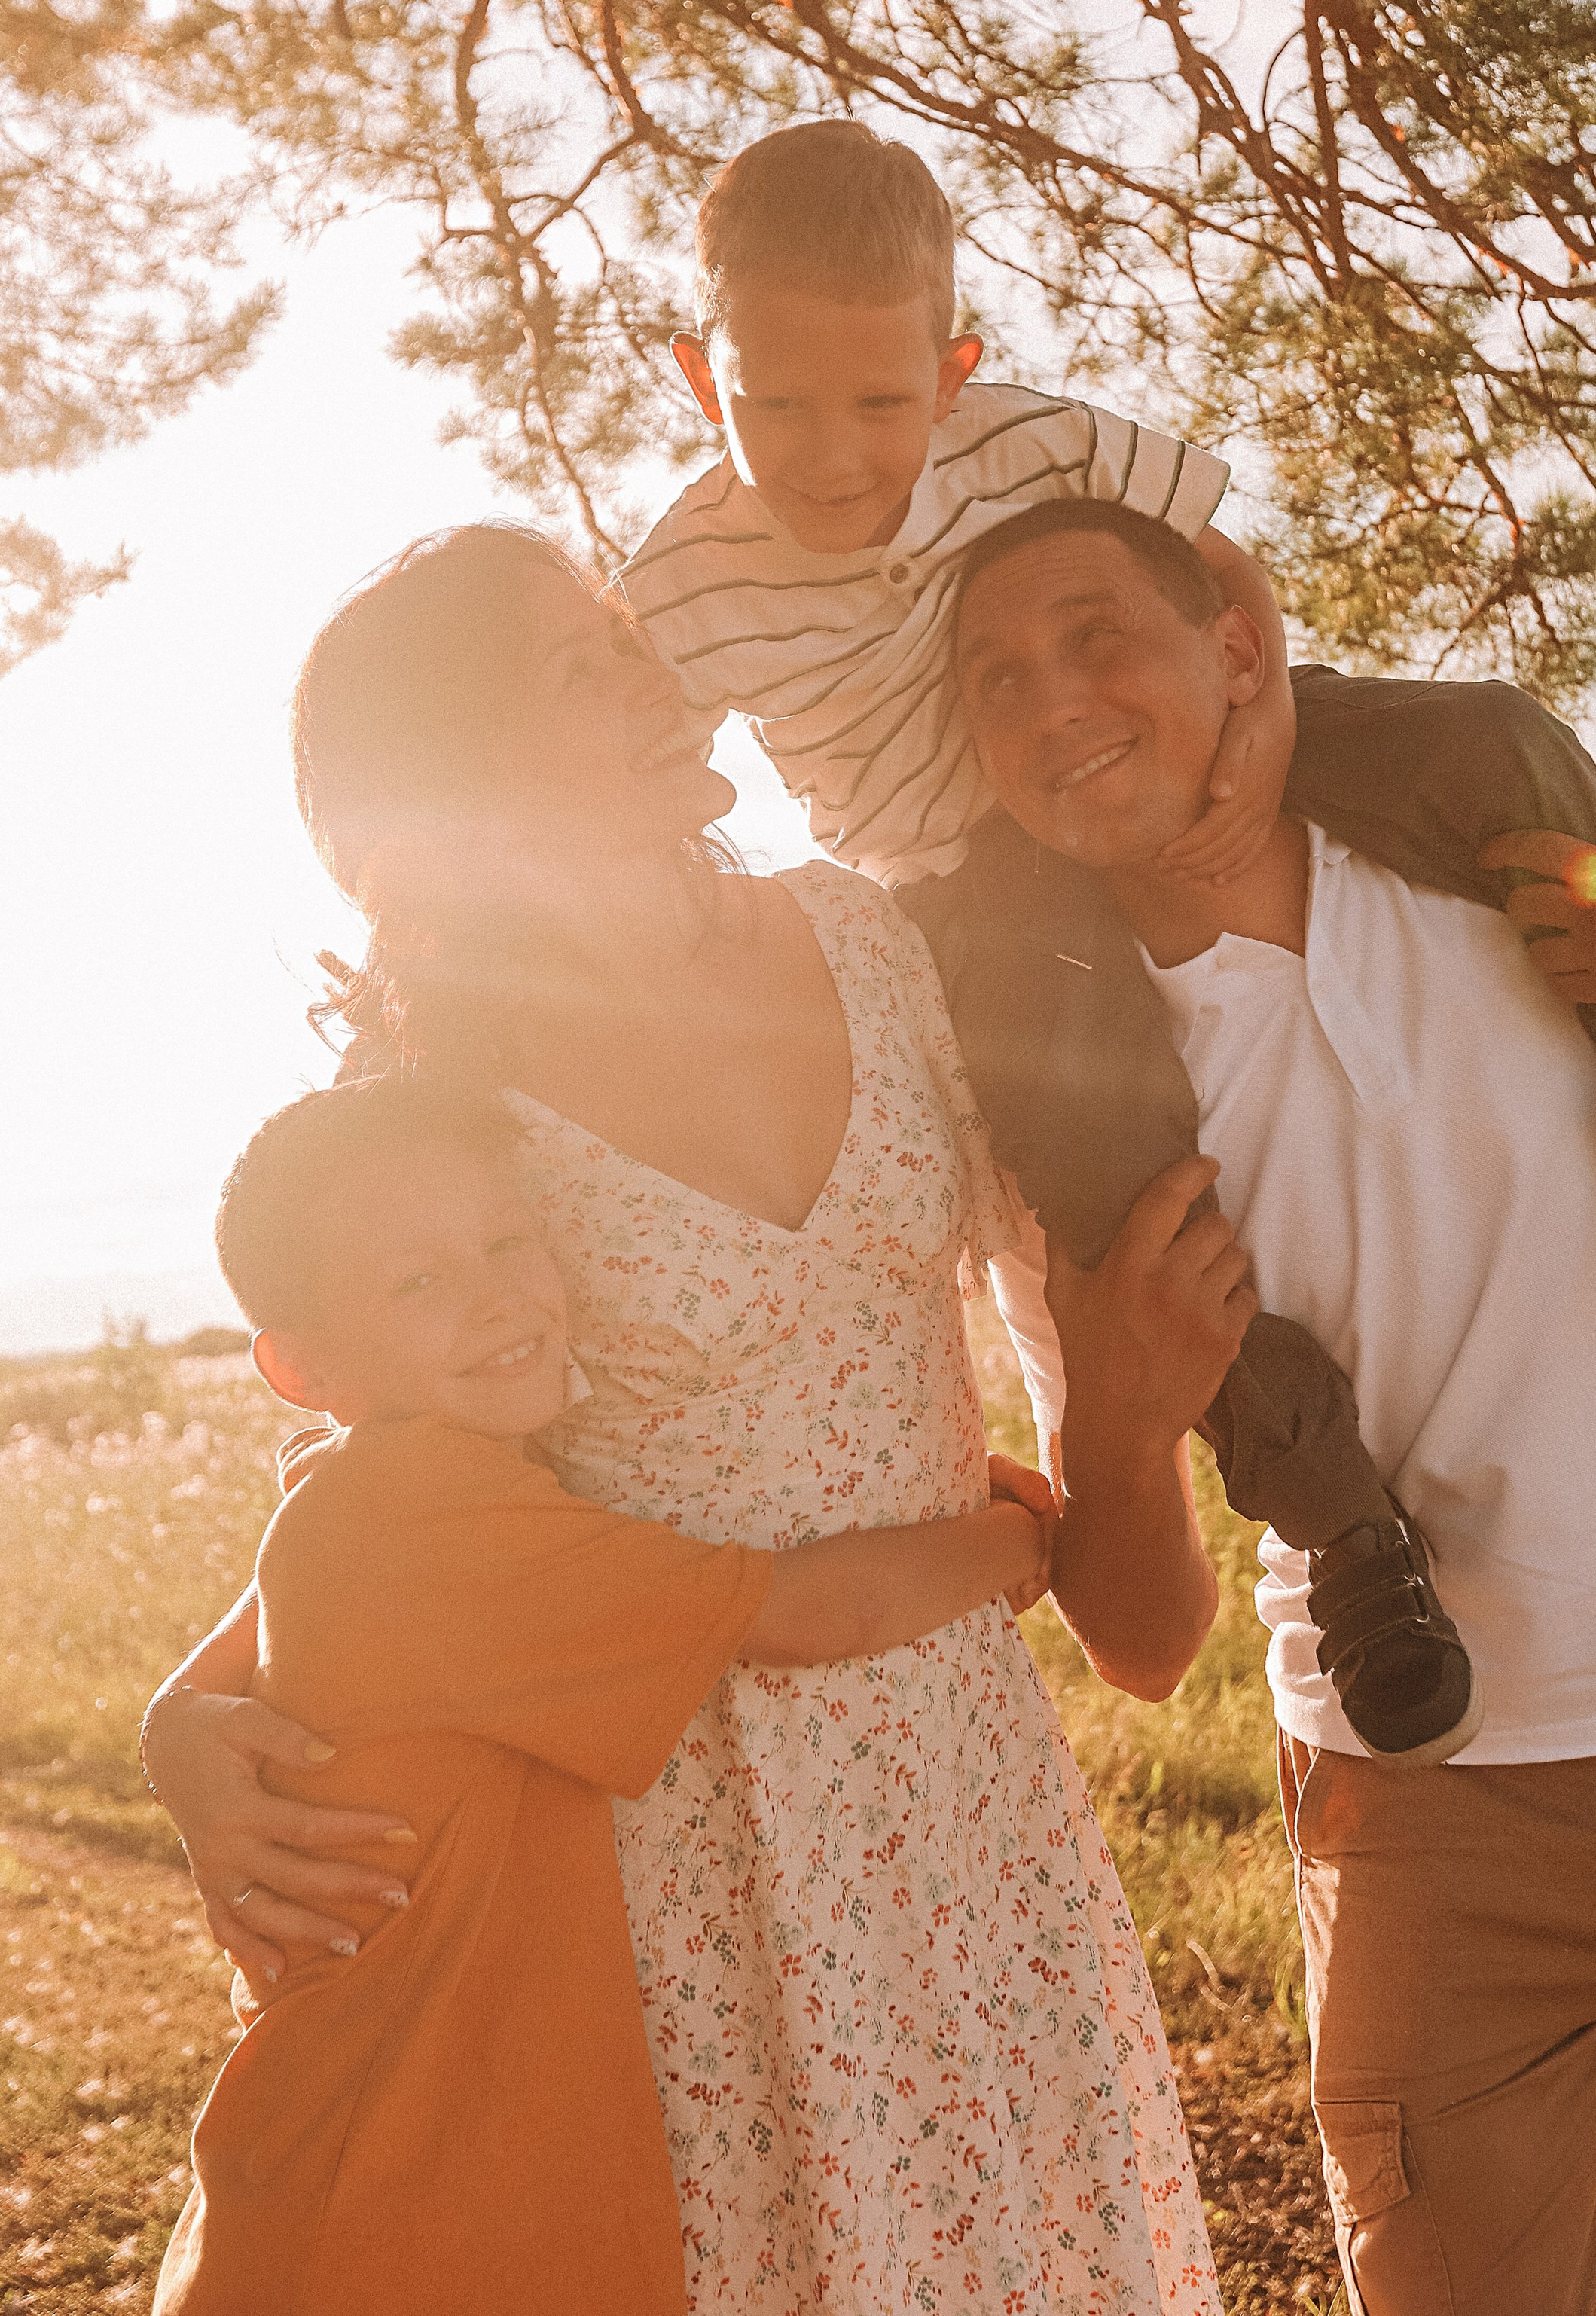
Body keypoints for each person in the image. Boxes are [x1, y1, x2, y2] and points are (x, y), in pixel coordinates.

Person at [619, 118, 1596, 1766]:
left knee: (1492, 738)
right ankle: (1337, 1517)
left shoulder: (1028, 445)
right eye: (774, 406)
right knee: (1116, 1192)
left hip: (1257, 737)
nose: (829, 452)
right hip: (972, 892)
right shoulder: (678, 581)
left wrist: (1263, 726)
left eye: (878, 403)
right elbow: (626, 776)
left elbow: (1213, 565)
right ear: (694, 374)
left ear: (951, 372)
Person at [140, 522, 1238, 2316]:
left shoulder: (875, 944)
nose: (664, 678)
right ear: (464, 780)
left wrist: (1110, 1458)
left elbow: (1092, 1399)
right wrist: (194, 1720)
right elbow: (376, 1490)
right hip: (658, 1843)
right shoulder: (435, 1092)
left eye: (634, 636)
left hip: (959, 1803)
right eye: (588, 666)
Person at [951, 496, 1596, 2316]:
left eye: (1095, 635)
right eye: (995, 678)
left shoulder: (1517, 850)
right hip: (1425, 1804)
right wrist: (1118, 1422)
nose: (1051, 700)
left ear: (1234, 647)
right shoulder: (1065, 1116)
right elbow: (1144, 1649)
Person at [156, 1076, 1050, 2316]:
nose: (497, 1295)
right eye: (418, 1282)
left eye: (508, 1241)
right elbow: (808, 1613)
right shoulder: (417, 1517)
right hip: (388, 2196)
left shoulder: (381, 1492)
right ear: (298, 1367)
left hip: (449, 2164)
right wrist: (1029, 1533)